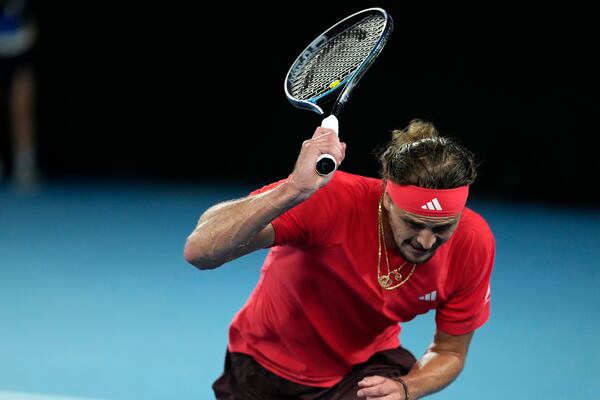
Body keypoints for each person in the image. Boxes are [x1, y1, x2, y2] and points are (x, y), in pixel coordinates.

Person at [184, 119, 495, 400]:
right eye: (413, 223)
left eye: (442, 227)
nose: (426, 241)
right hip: (262, 365)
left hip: (360, 373)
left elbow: (449, 351)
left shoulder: (472, 243)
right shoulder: (330, 200)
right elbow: (200, 252)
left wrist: (405, 388)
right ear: (387, 197)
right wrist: (294, 189)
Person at [0, 0, 38, 188]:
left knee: (22, 107)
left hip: (19, 55)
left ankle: (24, 164)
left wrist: (19, 41)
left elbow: (31, 27)